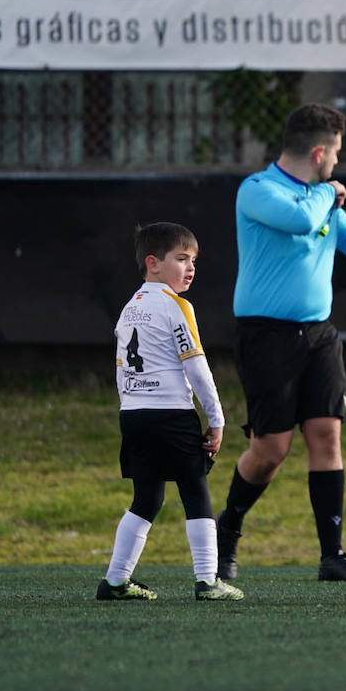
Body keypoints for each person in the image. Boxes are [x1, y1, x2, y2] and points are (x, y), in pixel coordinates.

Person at [215, 103, 346, 582]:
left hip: (320, 335)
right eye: (335, 154)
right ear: (317, 151)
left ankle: (333, 555)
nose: (337, 164)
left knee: (327, 435)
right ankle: (228, 529)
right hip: (265, 335)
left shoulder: (322, 197)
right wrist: (328, 193)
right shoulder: (258, 190)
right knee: (271, 450)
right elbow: (301, 221)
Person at [98, 223, 242, 601]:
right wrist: (217, 418)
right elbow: (197, 366)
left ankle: (115, 581)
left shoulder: (130, 308)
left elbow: (120, 368)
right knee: (196, 491)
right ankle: (208, 581)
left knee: (147, 499)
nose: (190, 267)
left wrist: (128, 407)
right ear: (153, 263)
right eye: (181, 259)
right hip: (170, 413)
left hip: (133, 414)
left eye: (193, 260)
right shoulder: (177, 306)